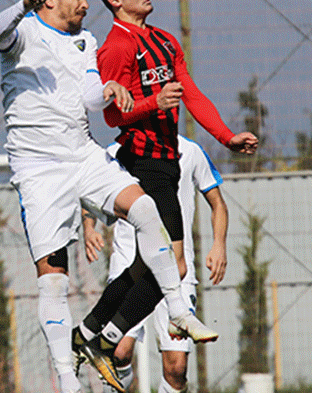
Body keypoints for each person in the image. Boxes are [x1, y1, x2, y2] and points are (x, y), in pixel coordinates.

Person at [0, 0, 214, 392]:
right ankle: (68, 379)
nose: (85, 4)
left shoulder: (86, 41)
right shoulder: (23, 32)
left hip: (83, 153)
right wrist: (21, 5)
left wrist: (109, 90)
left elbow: (91, 96)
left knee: (146, 210)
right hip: (39, 169)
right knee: (54, 279)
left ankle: (178, 307)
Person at [69, 0, 256, 387]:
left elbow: (190, 93)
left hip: (167, 162)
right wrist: (154, 103)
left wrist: (226, 137)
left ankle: (87, 333)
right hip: (143, 161)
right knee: (172, 261)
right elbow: (113, 114)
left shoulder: (165, 41)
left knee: (142, 266)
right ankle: (109, 336)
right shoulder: (115, 47)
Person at [83, 135, 228, 393]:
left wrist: (219, 244)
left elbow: (217, 203)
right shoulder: (116, 151)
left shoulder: (191, 151)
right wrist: (89, 228)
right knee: (118, 352)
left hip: (176, 264)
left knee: (176, 369)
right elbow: (90, 194)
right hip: (131, 264)